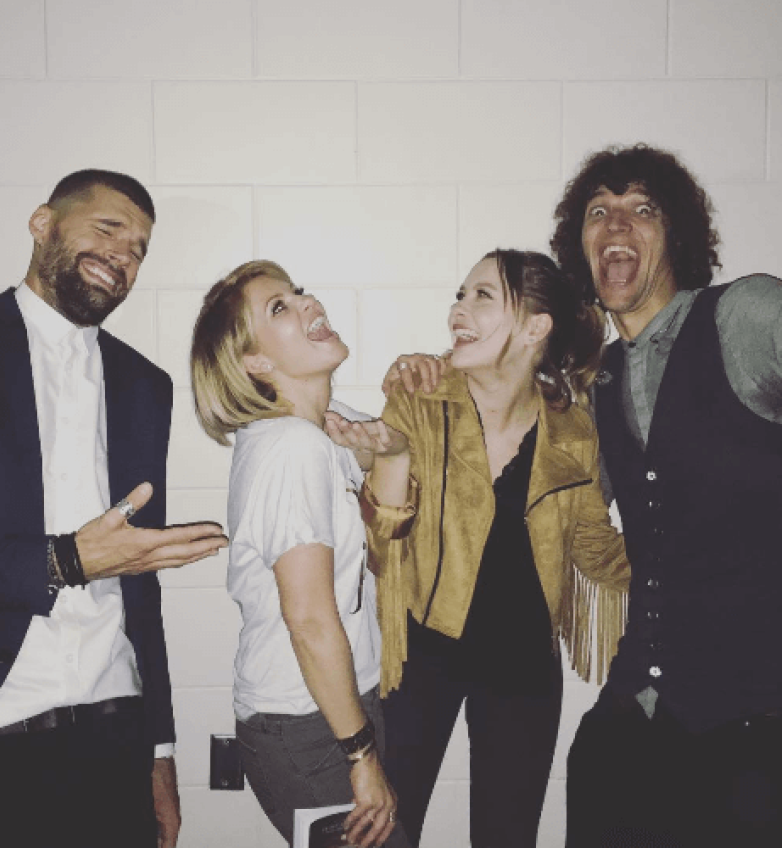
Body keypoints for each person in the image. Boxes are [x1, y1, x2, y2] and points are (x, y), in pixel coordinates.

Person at [0, 169, 228, 848]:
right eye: (108, 228)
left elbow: (139, 582)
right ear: (43, 223)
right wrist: (63, 560)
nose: (125, 253)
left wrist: (159, 751)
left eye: (140, 248)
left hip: (113, 736)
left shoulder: (145, 386)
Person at [349, 249, 630, 847]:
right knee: (386, 830)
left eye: (482, 296)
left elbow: (591, 544)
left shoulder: (573, 428)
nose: (458, 309)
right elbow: (380, 548)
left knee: (507, 838)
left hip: (524, 663)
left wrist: (687, 560)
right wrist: (392, 459)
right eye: (460, 293)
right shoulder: (419, 401)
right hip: (423, 650)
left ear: (536, 327)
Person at [549, 143, 782, 846]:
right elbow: (548, 510)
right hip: (635, 717)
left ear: (673, 234)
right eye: (599, 211)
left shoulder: (743, 316)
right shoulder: (598, 382)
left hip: (755, 730)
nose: (616, 224)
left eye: (641, 209)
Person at [190, 260, 409, 848]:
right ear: (254, 363)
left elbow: (402, 452)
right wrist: (359, 755)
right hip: (308, 723)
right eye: (279, 308)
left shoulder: (322, 431)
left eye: (299, 294)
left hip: (335, 706)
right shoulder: (290, 447)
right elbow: (309, 619)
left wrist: (392, 450)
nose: (309, 304)